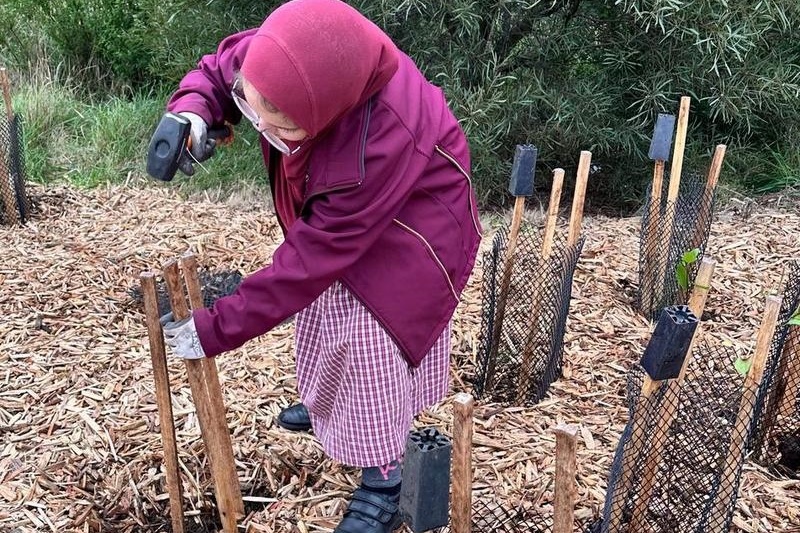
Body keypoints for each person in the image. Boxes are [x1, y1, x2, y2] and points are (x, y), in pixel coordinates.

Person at [155, 1, 481, 531]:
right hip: (355, 209)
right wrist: (193, 111)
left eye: (273, 122)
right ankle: (336, 405)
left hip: (419, 223)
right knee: (326, 306)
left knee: (371, 328)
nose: (255, 124)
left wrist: (216, 328)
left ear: (322, 113)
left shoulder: (372, 144)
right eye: (250, 107)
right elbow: (222, 69)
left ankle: (384, 475)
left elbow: (307, 263)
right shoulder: (295, 53)